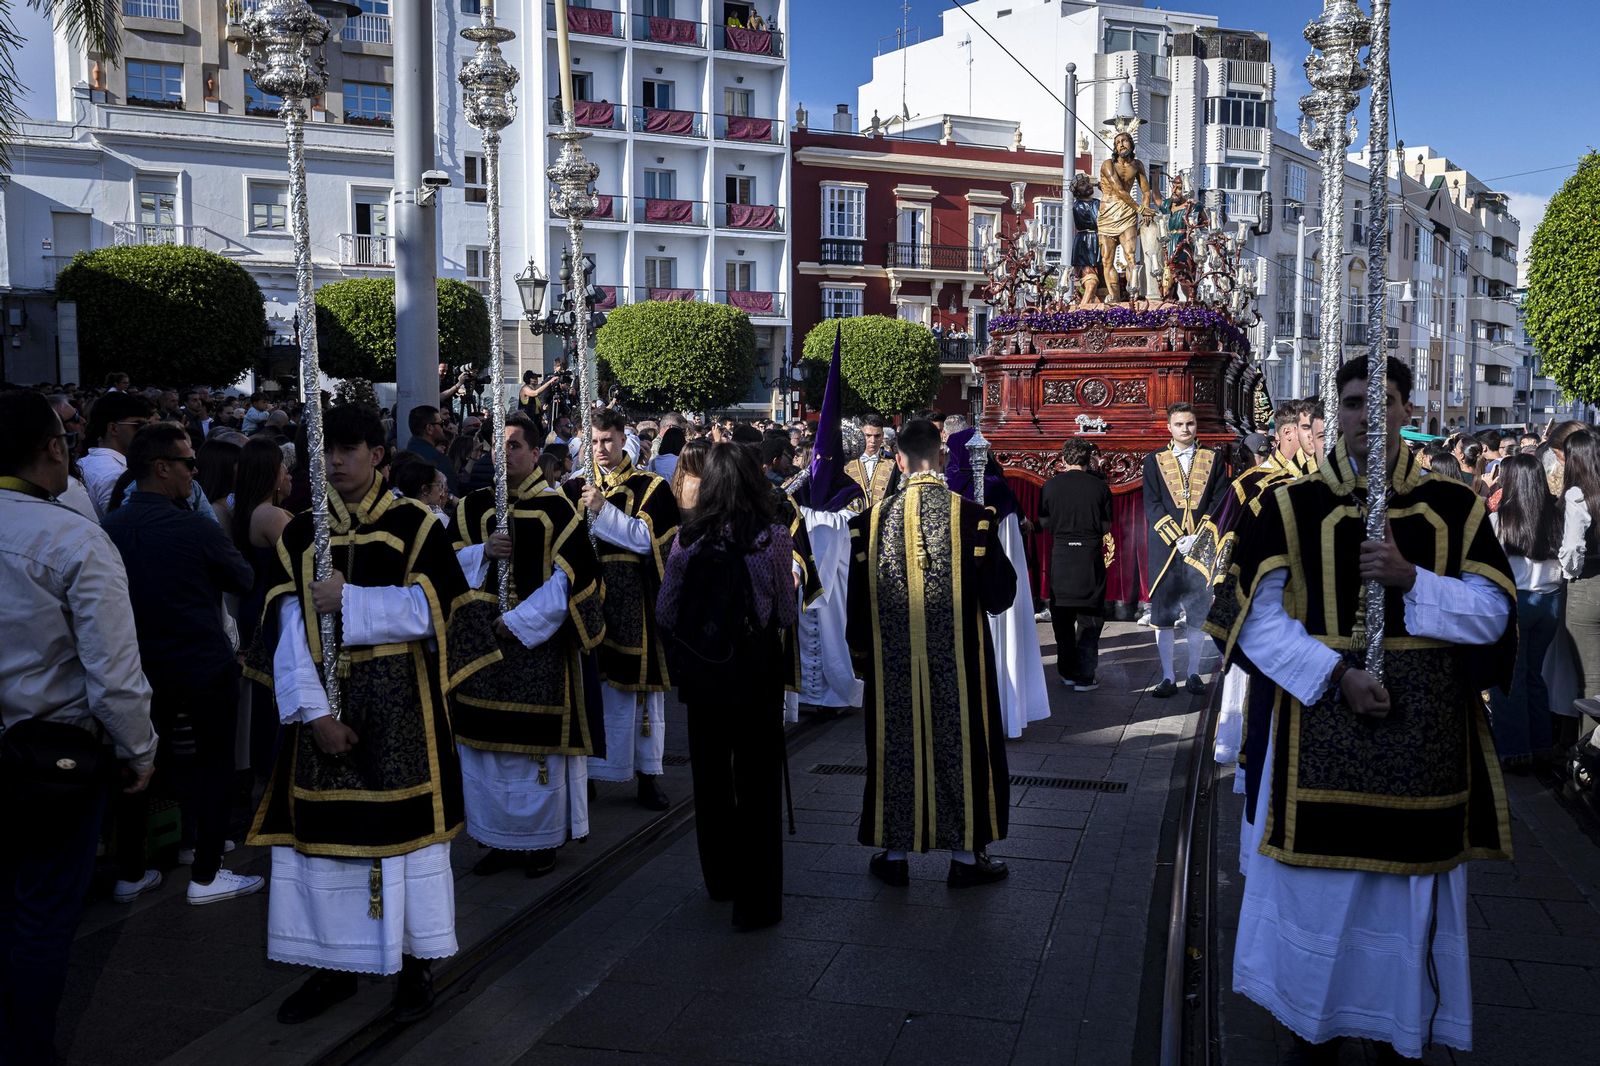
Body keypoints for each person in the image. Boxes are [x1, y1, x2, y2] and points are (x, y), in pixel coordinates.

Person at [1206, 355, 1514, 1061]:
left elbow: (1494, 613)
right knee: (1316, 906)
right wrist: (1334, 674)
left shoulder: (1456, 506)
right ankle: (1307, 1028)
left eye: (1383, 405)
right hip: (1318, 739)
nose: (1366, 420)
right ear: (1333, 413)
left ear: (1408, 411)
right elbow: (1251, 621)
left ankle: (1396, 1034)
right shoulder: (1287, 506)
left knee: (1405, 916)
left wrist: (1414, 582)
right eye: (1351, 405)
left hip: (1423, 757)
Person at [247, 404, 469, 1025]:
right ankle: (332, 963)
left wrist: (352, 601)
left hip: (402, 713)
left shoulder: (416, 526)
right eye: (328, 451)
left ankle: (415, 963)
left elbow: (443, 613)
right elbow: (287, 628)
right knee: (322, 846)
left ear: (378, 454)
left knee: (406, 849)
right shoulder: (301, 534)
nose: (337, 462)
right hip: (322, 710)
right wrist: (314, 715)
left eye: (350, 450)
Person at [0, 391, 157, 1065]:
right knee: (40, 913)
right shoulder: (72, 537)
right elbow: (115, 672)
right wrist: (138, 751)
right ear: (52, 449)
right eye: (64, 434)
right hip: (51, 760)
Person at [849, 418, 1014, 888]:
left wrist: (864, 660)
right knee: (961, 745)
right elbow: (1001, 596)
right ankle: (965, 857)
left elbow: (857, 607)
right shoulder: (974, 517)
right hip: (960, 661)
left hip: (892, 662)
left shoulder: (869, 523)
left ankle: (894, 853)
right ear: (941, 458)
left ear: (898, 460)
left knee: (895, 747)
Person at [102, 424, 261, 906]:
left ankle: (131, 869)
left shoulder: (110, 529)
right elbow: (243, 575)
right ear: (161, 467)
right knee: (213, 765)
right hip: (201, 664)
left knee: (138, 764)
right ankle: (207, 872)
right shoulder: (192, 526)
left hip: (139, 666)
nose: (195, 472)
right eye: (188, 463)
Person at [449, 414, 605, 878]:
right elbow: (440, 569)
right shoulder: (471, 508)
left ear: (537, 454)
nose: (506, 453)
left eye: (516, 445)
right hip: (482, 655)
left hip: (536, 651)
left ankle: (539, 842)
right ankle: (496, 840)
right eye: (499, 445)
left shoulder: (559, 511)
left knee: (531, 757)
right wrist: (482, 553)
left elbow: (573, 582)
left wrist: (517, 622)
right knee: (490, 757)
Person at [656, 443, 797, 930]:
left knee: (711, 780)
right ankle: (757, 902)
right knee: (757, 784)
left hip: (706, 673)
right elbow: (785, 611)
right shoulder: (773, 536)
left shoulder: (687, 538)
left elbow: (666, 611)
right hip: (755, 670)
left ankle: (720, 879)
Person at [572, 408, 682, 810]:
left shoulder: (651, 486)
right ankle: (590, 774)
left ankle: (648, 774)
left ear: (623, 440)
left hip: (635, 600)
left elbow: (648, 540)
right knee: (591, 688)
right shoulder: (574, 486)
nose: (600, 449)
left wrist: (602, 510)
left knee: (640, 694)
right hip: (590, 603)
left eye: (607, 441)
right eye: (594, 442)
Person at [947, 425, 1050, 737]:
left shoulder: (948, 488)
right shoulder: (1000, 489)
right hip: (996, 588)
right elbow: (1010, 550)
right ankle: (1006, 714)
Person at [1143, 402, 1227, 697]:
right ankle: (1167, 676)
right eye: (1179, 424)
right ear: (1169, 427)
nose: (1185, 429)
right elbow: (1151, 504)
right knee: (1163, 615)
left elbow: (1219, 501)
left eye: (1190, 423)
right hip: (1166, 549)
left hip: (1200, 548)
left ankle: (1193, 673)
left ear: (1196, 425)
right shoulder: (1153, 460)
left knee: (1197, 612)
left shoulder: (1214, 459)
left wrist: (1199, 536)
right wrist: (1176, 536)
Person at [1488, 453, 1562, 770]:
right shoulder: (1557, 516)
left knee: (1507, 677)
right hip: (1550, 602)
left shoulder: (1498, 519)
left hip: (1514, 601)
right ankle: (1542, 743)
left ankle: (1514, 749)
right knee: (1535, 674)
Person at [232, 437, 295, 780]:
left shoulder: (251, 510)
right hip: (271, 609)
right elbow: (305, 556)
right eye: (283, 466)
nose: (289, 473)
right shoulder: (269, 515)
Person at [1038, 439, 1113, 691]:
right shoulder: (1100, 488)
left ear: (1063, 459)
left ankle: (1067, 672)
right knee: (1089, 621)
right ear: (1088, 459)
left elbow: (1044, 521)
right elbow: (1106, 525)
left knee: (1062, 620)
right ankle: (1084, 676)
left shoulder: (1050, 486)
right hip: (1089, 558)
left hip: (1061, 557)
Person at [80, 391, 157, 518]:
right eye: (139, 425)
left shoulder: (84, 462)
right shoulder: (115, 474)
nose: (145, 431)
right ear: (113, 428)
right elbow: (123, 527)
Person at [843, 415, 897, 513]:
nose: (873, 441)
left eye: (877, 436)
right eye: (867, 435)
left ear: (882, 436)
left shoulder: (892, 464)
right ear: (859, 435)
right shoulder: (845, 463)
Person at [404, 404, 458, 495]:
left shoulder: (405, 456)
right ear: (429, 428)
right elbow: (450, 495)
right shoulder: (438, 460)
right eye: (441, 423)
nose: (444, 428)